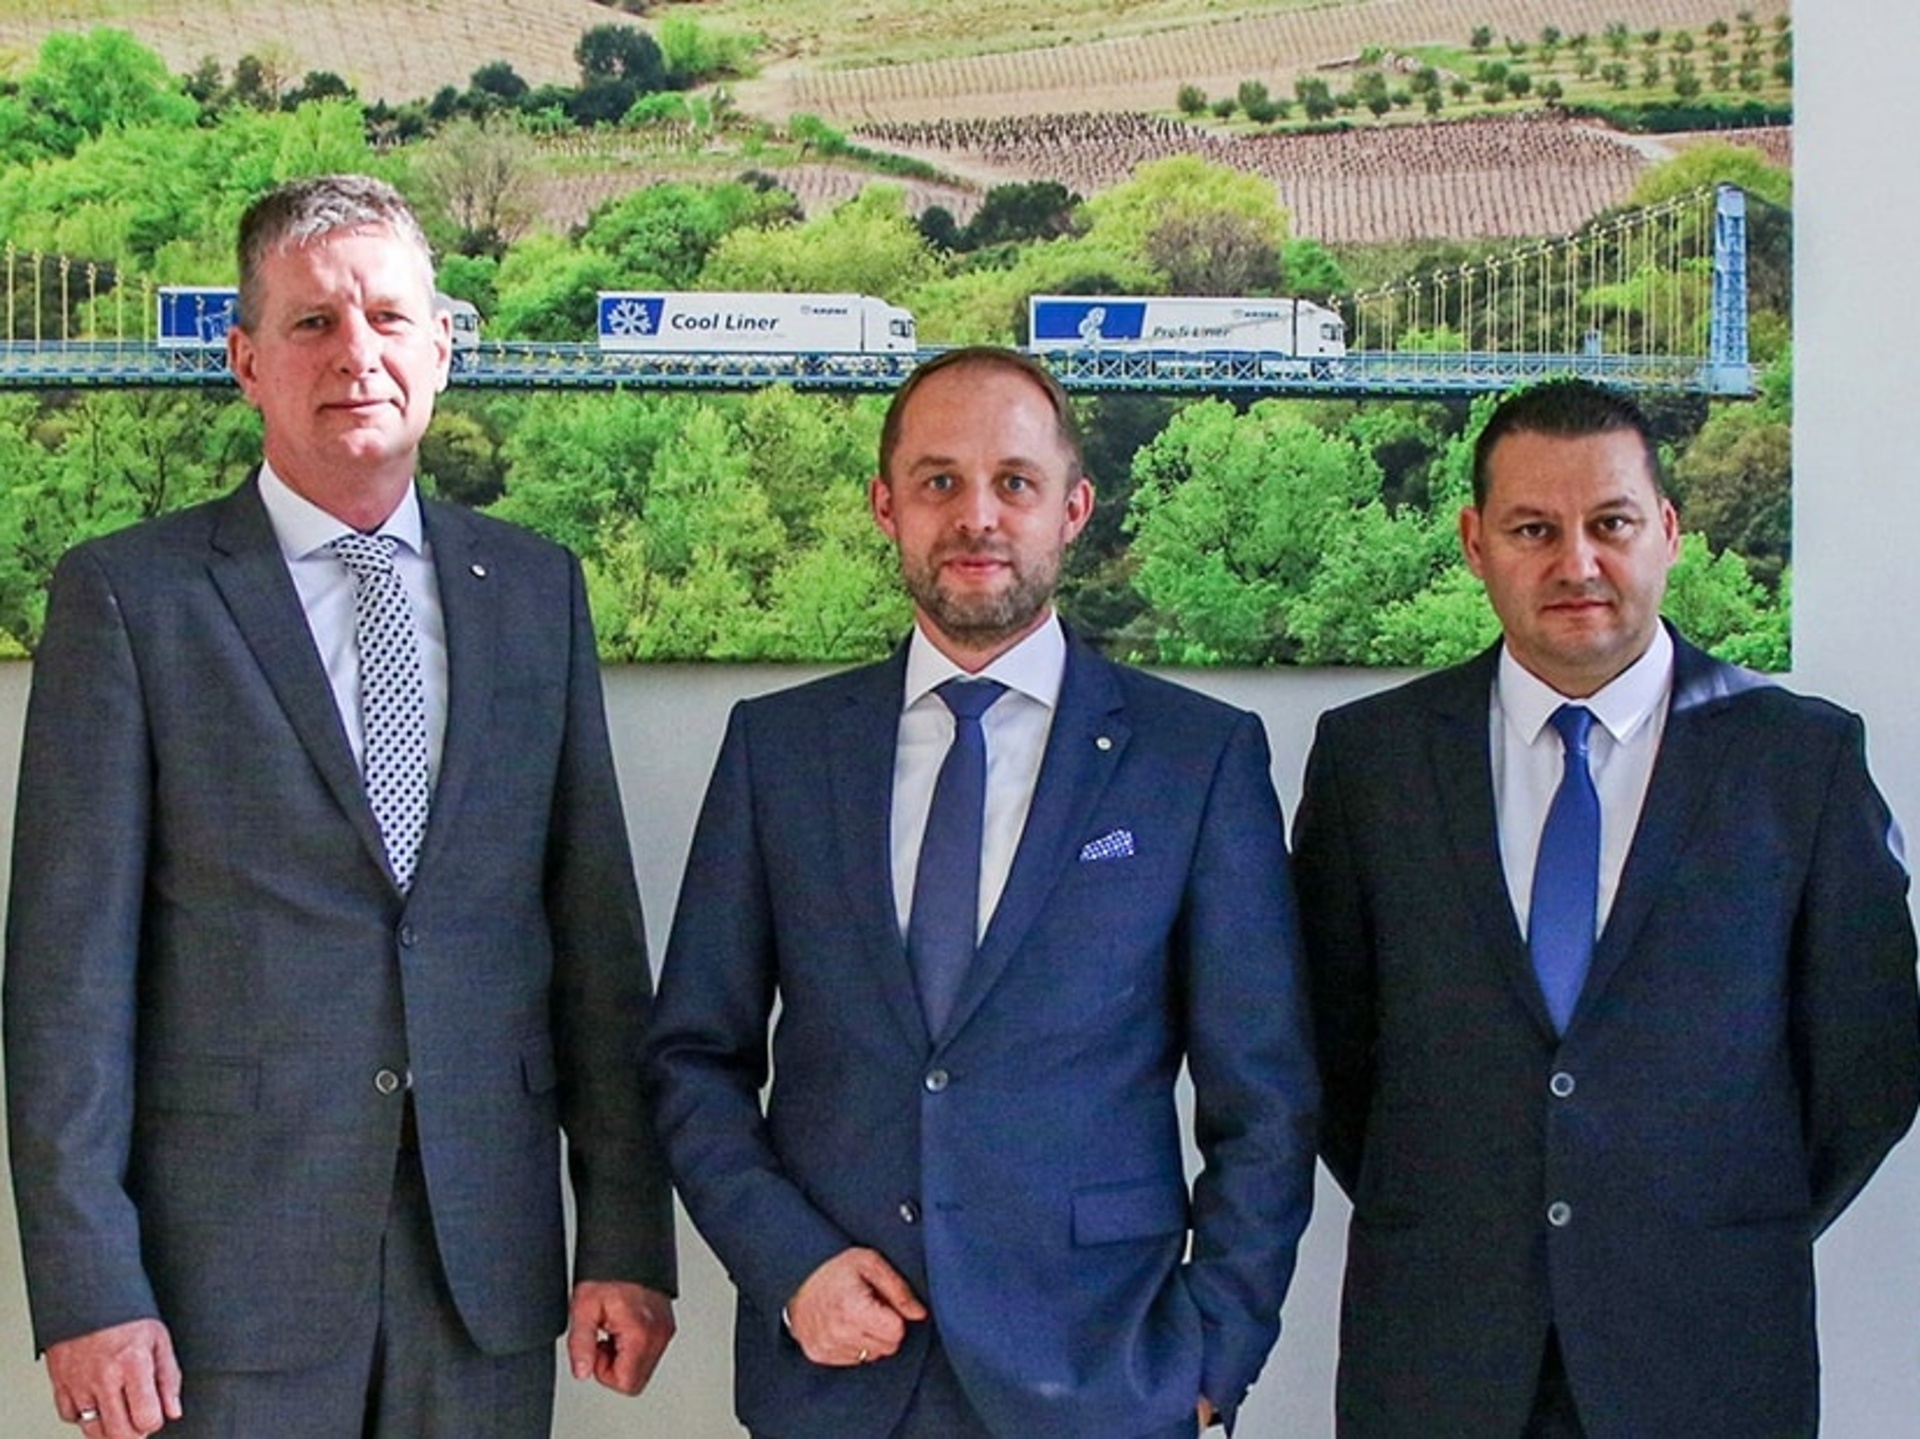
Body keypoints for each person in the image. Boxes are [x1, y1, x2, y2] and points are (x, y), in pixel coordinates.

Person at [4, 174, 676, 1439]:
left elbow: (595, 945)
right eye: (313, 321)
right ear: (246, 361)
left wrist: (627, 1234)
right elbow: (63, 984)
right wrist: (89, 1286)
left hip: (484, 1265)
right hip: (221, 1282)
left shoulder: (536, 590)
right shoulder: (131, 599)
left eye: (387, 316)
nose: (356, 352)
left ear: (442, 348)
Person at [645, 346, 1317, 1438]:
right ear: (886, 505)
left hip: (1101, 1374)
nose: (977, 516)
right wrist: (789, 1263)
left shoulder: (1195, 758)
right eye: (939, 481)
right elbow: (693, 1056)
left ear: (1073, 509)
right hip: (841, 1373)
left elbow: (1267, 1100)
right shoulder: (781, 751)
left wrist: (1211, 1355)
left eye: (1015, 481)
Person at [1292, 377, 1920, 1438]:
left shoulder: (1800, 760)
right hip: (1441, 1355)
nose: (1576, 563)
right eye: (1533, 529)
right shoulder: (1371, 762)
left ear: (1668, 531)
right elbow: (1328, 1051)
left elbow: (1868, 1065)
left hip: (1709, 1351)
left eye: (1611, 523)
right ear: (1475, 541)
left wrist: (1704, 1221)